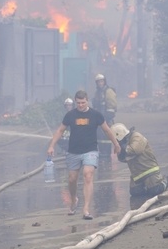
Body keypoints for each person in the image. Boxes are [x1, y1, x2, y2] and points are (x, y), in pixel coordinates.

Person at [47, 90, 121, 220]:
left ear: (87, 101)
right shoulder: (70, 115)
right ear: (75, 102)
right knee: (72, 179)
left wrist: (116, 144)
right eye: (78, 103)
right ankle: (74, 199)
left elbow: (107, 130)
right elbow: (60, 130)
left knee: (88, 175)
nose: (80, 105)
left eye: (83, 102)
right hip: (73, 152)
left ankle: (86, 208)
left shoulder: (95, 115)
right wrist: (52, 145)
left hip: (90, 150)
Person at [110, 123, 168, 199]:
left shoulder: (136, 136)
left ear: (119, 135)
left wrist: (123, 148)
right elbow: (123, 159)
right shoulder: (125, 143)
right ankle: (146, 186)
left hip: (149, 170)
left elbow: (135, 150)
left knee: (155, 190)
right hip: (137, 175)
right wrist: (120, 153)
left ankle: (165, 182)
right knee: (135, 193)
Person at [92, 73, 117, 157]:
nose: (100, 83)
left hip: (107, 120)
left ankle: (107, 157)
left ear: (104, 81)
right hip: (98, 120)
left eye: (101, 81)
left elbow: (112, 107)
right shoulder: (97, 93)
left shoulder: (109, 91)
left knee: (106, 139)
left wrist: (107, 118)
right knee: (99, 139)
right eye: (98, 82)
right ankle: (102, 155)